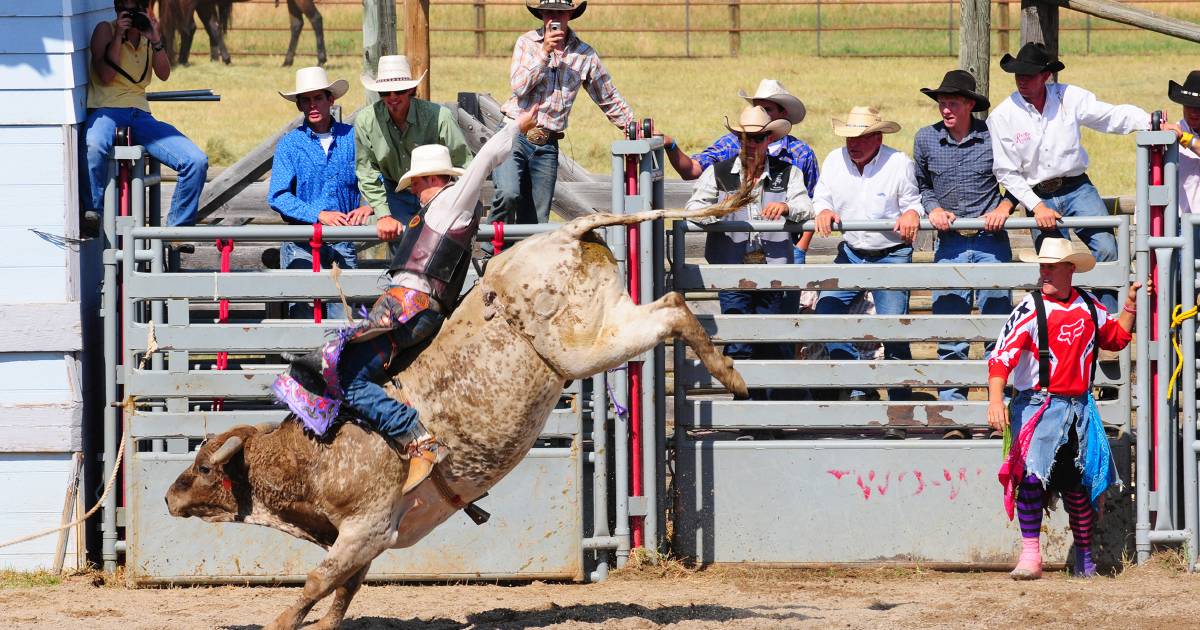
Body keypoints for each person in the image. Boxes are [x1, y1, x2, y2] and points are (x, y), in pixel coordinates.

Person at [273, 106, 540, 493]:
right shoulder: (436, 212)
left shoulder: (451, 203)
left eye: (415, 183)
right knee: (336, 367)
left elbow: (484, 159)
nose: (413, 191)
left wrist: (515, 125)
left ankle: (416, 438)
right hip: (406, 307)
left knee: (344, 376)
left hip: (410, 310)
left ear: (432, 178)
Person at [987, 237, 1141, 579]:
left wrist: (1129, 306)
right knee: (1029, 477)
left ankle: (1084, 558)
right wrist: (995, 398)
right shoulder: (1029, 309)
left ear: (1069, 269)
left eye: (1051, 266)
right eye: (1042, 266)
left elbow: (1114, 339)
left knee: (1078, 484)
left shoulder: (1089, 305)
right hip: (1038, 406)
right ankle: (1031, 554)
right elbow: (1001, 358)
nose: (1044, 272)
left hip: (1078, 408)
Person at [988, 42, 1153, 314]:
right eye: (1018, 75)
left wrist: (1149, 121)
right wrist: (1036, 206)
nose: (1022, 81)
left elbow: (1109, 116)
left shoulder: (1068, 97)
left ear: (1045, 76)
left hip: (1077, 186)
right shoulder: (1003, 116)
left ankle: (1107, 321)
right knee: (1053, 263)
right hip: (1037, 193)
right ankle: (1062, 324)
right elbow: (1006, 171)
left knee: (1107, 250)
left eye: (1028, 75)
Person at [686, 106, 815, 398]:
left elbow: (807, 208)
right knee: (740, 340)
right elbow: (692, 211)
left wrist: (787, 208)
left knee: (772, 338)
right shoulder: (717, 173)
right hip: (734, 270)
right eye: (744, 138)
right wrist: (719, 210)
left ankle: (768, 412)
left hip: (771, 269)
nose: (750, 145)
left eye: (756, 138)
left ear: (768, 139)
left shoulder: (788, 173)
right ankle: (748, 411)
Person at [914, 69, 1017, 405]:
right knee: (950, 329)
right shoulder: (926, 139)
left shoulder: (994, 136)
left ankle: (997, 406)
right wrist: (932, 208)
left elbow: (1018, 179)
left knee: (997, 328)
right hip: (951, 242)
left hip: (991, 239)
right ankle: (953, 410)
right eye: (942, 103)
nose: (946, 110)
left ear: (969, 105)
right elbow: (923, 184)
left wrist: (1004, 206)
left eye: (953, 103)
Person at [489, 0, 635, 228]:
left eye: (560, 12)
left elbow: (607, 95)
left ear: (570, 15)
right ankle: (490, 253)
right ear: (541, 14)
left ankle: (527, 261)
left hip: (547, 142)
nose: (554, 17)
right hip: (514, 132)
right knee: (508, 194)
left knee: (537, 218)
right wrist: (544, 52)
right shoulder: (527, 43)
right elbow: (518, 87)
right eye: (549, 12)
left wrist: (632, 126)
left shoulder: (585, 54)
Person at [812, 106, 923, 401]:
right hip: (851, 251)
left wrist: (912, 212)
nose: (853, 143)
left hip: (892, 252)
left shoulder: (899, 163)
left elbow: (914, 201)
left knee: (894, 330)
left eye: (861, 137)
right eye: (850, 137)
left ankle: (900, 405)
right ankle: (861, 380)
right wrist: (822, 209)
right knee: (826, 313)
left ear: (877, 137)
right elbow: (821, 194)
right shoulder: (835, 160)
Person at [662, 78, 819, 266]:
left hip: (781, 252)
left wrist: (800, 247)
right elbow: (693, 170)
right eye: (745, 138)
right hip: (733, 256)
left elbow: (811, 201)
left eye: (766, 109)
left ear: (782, 114)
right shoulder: (728, 148)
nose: (750, 143)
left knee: (782, 292)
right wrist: (671, 146)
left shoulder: (801, 154)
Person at [83, 0, 208, 231]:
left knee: (196, 161)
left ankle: (177, 230)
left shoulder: (147, 37)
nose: (130, 15)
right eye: (124, 10)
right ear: (116, 9)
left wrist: (156, 39)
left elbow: (164, 74)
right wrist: (119, 35)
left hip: (140, 114)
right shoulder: (105, 30)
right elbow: (106, 76)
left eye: (135, 10)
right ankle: (93, 212)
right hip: (106, 109)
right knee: (94, 144)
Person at [268, 67, 372, 319]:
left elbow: (376, 178)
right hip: (302, 243)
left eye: (318, 98)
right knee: (303, 318)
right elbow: (278, 196)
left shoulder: (353, 138)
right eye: (306, 100)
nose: (312, 105)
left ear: (330, 100)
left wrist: (369, 205)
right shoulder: (290, 144)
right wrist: (318, 214)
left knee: (344, 321)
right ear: (300, 106)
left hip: (342, 240)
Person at [356, 55, 472, 242]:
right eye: (385, 92)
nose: (393, 97)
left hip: (438, 192)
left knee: (438, 248)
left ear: (411, 89)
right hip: (395, 193)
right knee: (402, 252)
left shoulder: (440, 116)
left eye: (399, 90)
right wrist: (383, 214)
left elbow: (462, 164)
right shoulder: (366, 121)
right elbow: (366, 171)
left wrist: (455, 199)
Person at [1160, 71, 1200, 246]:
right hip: (1181, 221)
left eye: (1199, 107)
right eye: (1189, 105)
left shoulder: (1177, 134)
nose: (1193, 112)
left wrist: (1184, 138)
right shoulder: (1169, 135)